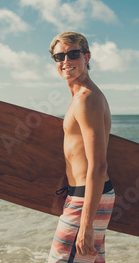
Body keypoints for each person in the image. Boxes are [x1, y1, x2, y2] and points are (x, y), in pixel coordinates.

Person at [47, 32, 115, 263]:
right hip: (83, 195)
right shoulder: (80, 96)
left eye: (73, 54)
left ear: (87, 57)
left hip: (87, 199)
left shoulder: (86, 98)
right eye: (59, 57)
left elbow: (98, 165)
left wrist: (86, 226)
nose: (66, 61)